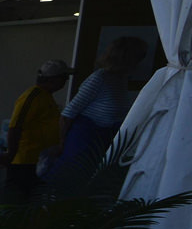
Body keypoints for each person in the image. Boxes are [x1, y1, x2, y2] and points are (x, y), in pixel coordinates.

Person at [55, 36, 148, 175]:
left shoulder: (120, 79)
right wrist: (60, 143)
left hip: (103, 143)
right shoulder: (99, 78)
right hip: (84, 143)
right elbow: (68, 114)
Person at [1, 59, 69, 202]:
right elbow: (15, 127)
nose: (66, 81)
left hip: (38, 160)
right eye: (64, 78)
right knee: (17, 200)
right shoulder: (33, 96)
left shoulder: (46, 97)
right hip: (25, 160)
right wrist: (11, 154)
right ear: (54, 79)